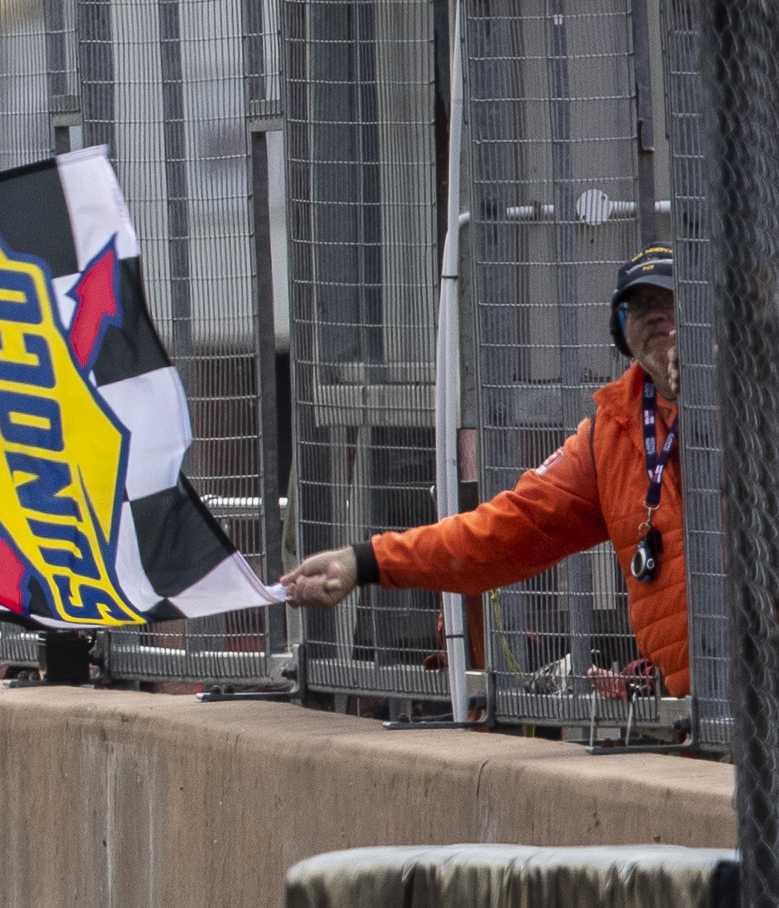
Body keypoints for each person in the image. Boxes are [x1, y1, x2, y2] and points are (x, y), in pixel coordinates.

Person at [281, 245, 692, 693]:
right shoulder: (609, 434)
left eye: (669, 301)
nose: (654, 316)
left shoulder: (750, 396)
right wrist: (365, 560)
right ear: (620, 329)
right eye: (640, 305)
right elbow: (503, 530)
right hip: (691, 702)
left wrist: (714, 396)